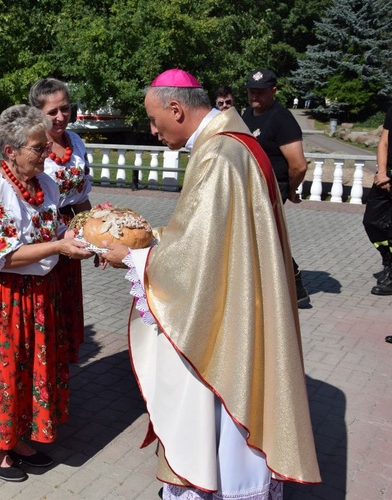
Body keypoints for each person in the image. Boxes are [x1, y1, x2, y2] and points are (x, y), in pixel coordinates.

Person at [102, 69, 321, 499]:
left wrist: (131, 257)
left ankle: (215, 485)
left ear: (176, 109)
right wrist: (153, 235)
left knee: (213, 407)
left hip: (225, 314)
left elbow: (196, 263)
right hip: (240, 295)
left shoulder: (219, 155)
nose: (152, 130)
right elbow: (208, 237)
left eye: (153, 120)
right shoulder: (233, 142)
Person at [0, 104, 93, 482]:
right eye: (38, 148)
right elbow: (2, 255)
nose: (47, 154)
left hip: (41, 292)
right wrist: (58, 248)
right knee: (3, 372)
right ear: (11, 151)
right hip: (5, 294)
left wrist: (87, 236)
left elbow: (55, 231)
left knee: (33, 370)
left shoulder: (47, 184)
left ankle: (18, 438)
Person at [29, 78, 92, 363]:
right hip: (43, 232)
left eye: (65, 109)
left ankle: (64, 365)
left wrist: (93, 232)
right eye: (52, 111)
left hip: (71, 228)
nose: (60, 116)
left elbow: (81, 197)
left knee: (67, 300)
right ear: (37, 113)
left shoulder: (75, 142)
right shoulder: (30, 146)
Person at [241, 68, 311, 307]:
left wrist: (290, 190)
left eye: (260, 91)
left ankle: (294, 285)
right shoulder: (247, 114)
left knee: (262, 235)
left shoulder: (282, 118)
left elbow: (299, 166)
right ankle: (287, 287)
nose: (254, 96)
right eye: (251, 91)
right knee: (259, 236)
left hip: (273, 186)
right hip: (250, 185)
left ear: (274, 90)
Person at [362, 106, 392, 295]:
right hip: (384, 178)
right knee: (371, 221)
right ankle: (388, 261)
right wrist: (382, 172)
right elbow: (384, 143)